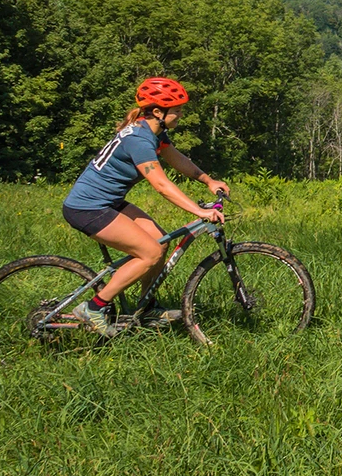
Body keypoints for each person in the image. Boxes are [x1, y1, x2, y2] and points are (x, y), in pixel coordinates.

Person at [63, 77, 228, 335]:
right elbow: (161, 184)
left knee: (160, 243)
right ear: (158, 112)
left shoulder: (153, 133)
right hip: (87, 208)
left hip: (109, 202)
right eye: (177, 110)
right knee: (150, 253)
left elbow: (176, 159)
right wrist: (200, 211)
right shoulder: (139, 140)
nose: (181, 115)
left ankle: (146, 308)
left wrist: (208, 180)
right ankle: (94, 308)